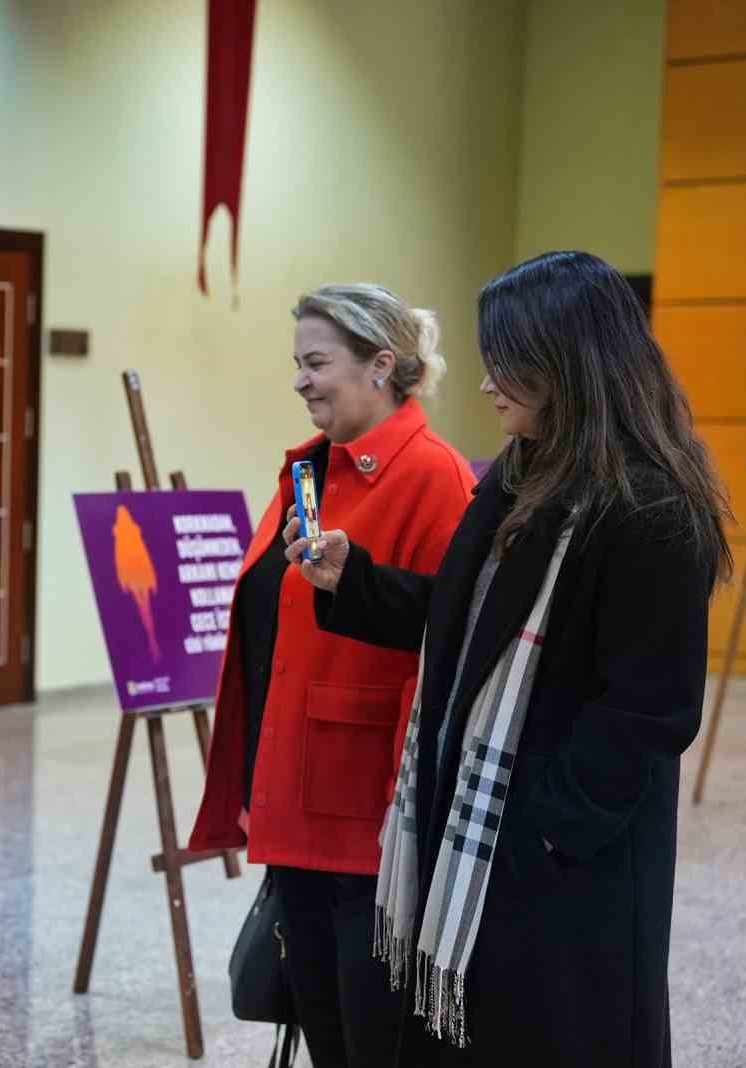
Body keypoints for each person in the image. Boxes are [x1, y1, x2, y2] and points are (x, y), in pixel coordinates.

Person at [286, 251, 732, 1066]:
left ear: (566, 363)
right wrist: (353, 582)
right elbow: (457, 627)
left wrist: (545, 831)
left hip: (563, 868)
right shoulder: (521, 472)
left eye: (506, 363)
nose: (487, 383)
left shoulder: (651, 506)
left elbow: (650, 709)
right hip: (486, 844)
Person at [189, 283, 477, 1067]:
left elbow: (448, 651)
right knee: (322, 1030)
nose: (300, 380)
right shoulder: (309, 472)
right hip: (299, 797)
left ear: (381, 365)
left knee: (371, 1042)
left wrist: (407, 816)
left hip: (369, 815)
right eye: (298, 363)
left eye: (317, 362)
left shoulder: (436, 476)